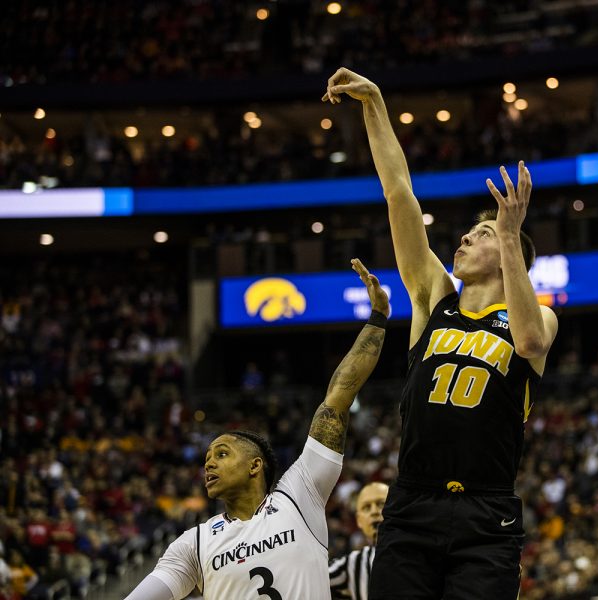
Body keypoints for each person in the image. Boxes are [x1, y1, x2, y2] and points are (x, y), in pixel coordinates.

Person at [325, 69, 559, 599]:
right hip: (414, 503)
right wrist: (375, 104)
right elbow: (399, 193)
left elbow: (529, 345)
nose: (464, 238)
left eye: (481, 235)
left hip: (487, 511)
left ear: (507, 253)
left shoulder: (538, 318)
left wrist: (507, 232)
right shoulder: (434, 299)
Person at [125, 259, 389, 600]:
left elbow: (338, 398)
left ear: (255, 465)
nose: (209, 463)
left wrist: (379, 318)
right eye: (208, 457)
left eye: (222, 453)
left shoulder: (299, 495)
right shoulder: (193, 544)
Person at [329, 482, 389, 600]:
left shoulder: (421, 552)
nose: (374, 511)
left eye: (381, 504)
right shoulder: (351, 563)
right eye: (367, 507)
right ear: (359, 520)